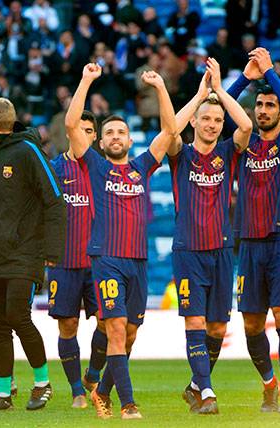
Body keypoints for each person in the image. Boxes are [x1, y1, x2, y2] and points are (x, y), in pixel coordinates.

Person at [69, 63, 177, 419]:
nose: (115, 136)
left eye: (121, 132)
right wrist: (86, 80)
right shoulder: (96, 166)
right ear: (100, 143)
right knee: (115, 329)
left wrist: (160, 87)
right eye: (109, 133)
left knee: (129, 335)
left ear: (130, 141)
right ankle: (128, 404)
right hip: (107, 259)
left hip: (138, 262)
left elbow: (170, 130)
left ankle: (101, 390)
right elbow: (71, 124)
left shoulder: (142, 167)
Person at [225, 48, 280, 413]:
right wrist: (245, 77)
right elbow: (219, 110)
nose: (262, 110)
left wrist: (270, 72)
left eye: (270, 105)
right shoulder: (242, 142)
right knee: (252, 323)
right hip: (249, 242)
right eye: (259, 104)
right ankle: (269, 384)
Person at [170, 58, 252, 415]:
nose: (213, 125)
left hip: (221, 250)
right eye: (206, 118)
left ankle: (195, 384)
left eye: (218, 120)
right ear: (194, 121)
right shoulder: (180, 154)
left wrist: (219, 91)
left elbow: (246, 125)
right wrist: (200, 96)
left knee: (217, 327)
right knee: (195, 321)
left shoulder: (227, 153)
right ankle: (206, 392)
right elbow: (170, 130)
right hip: (188, 250)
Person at [0, 97, 66, 411]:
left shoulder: (28, 151)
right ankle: (3, 392)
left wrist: (52, 250)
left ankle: (42, 383)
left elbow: (55, 200)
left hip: (24, 253)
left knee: (17, 316)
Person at [47, 108, 109, 409]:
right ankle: (76, 391)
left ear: (94, 137)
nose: (81, 136)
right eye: (77, 130)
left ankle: (93, 374)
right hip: (64, 261)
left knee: (107, 323)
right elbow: (42, 211)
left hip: (99, 262)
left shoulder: (104, 170)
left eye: (88, 131)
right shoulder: (54, 169)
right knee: (68, 324)